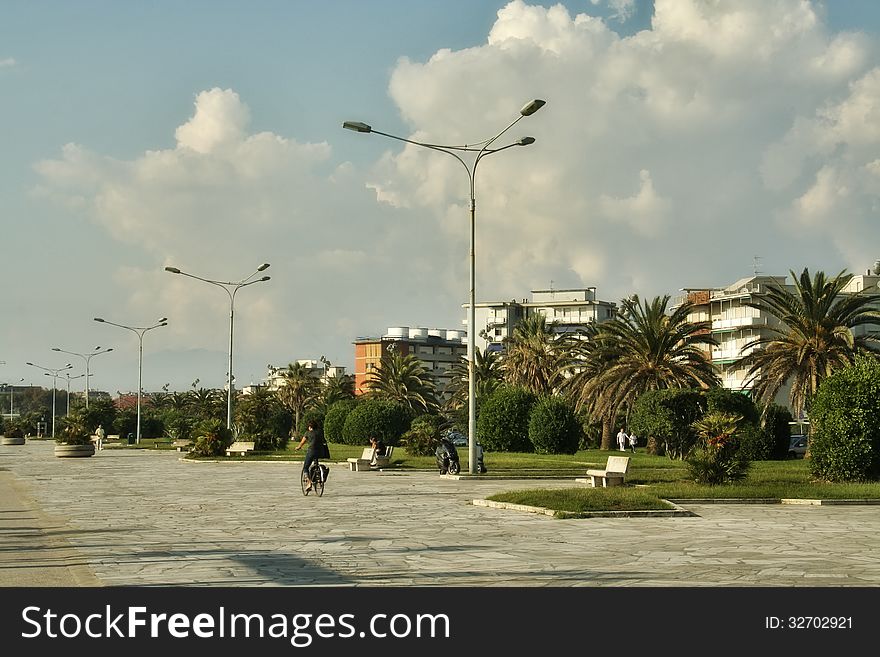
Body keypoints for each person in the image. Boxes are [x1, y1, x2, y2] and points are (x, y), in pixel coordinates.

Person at [295, 421, 322, 492]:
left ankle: (309, 482)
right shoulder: (320, 433)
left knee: (306, 467)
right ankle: (318, 475)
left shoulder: (308, 433)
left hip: (311, 451)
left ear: (310, 427)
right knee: (316, 464)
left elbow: (302, 442)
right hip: (320, 452)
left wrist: (298, 447)